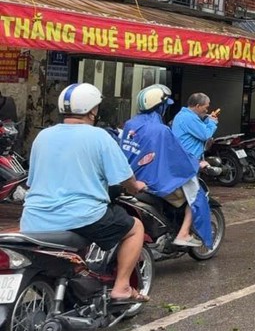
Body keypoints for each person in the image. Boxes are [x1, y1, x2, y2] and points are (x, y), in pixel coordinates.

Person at [21, 83, 148, 302]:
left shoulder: (43, 137)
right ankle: (121, 287)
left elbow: (33, 180)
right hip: (83, 216)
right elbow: (124, 177)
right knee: (135, 228)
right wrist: (136, 187)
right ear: (92, 111)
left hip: (33, 218)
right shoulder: (99, 137)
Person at [120, 84, 211, 248]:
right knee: (195, 196)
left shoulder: (130, 125)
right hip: (152, 182)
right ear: (159, 107)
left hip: (130, 178)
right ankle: (183, 234)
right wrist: (197, 164)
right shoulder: (161, 130)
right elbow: (178, 157)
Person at [172, 93, 219, 166]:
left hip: (184, 158)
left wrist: (207, 120)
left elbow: (198, 128)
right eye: (206, 107)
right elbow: (205, 135)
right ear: (198, 106)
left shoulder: (184, 115)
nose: (207, 111)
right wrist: (212, 122)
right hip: (188, 160)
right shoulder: (189, 118)